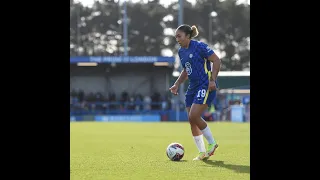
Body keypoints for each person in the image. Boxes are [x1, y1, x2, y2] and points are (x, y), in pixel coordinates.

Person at [169, 24, 221, 160]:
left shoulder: (199, 46)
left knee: (194, 115)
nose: (177, 39)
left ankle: (212, 143)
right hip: (192, 87)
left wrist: (212, 80)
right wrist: (176, 84)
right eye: (176, 37)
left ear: (187, 36)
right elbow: (186, 70)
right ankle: (202, 152)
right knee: (191, 120)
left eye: (179, 36)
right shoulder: (181, 52)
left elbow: (216, 60)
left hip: (205, 85)